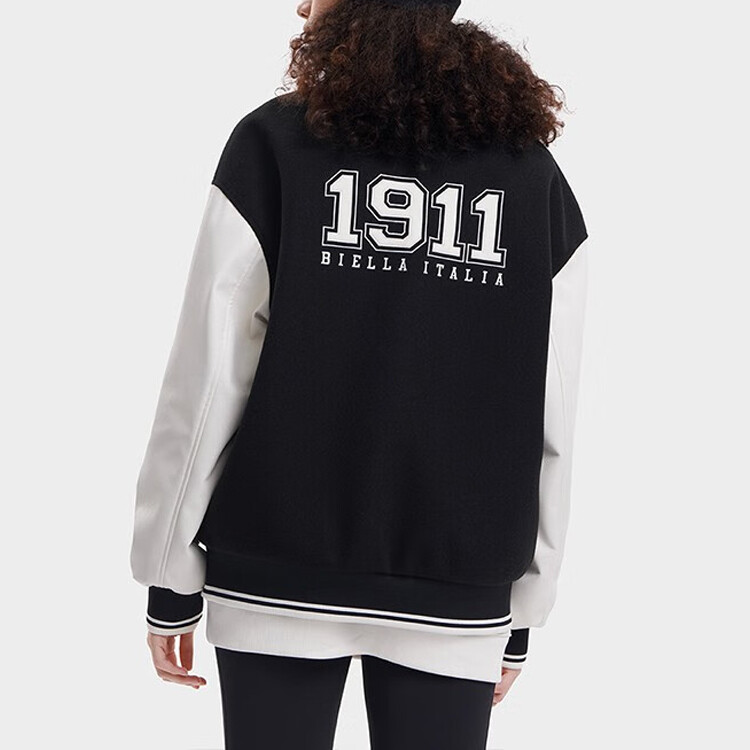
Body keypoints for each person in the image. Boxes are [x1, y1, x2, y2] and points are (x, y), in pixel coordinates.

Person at [129, 0, 589, 747]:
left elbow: (209, 374)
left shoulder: (273, 143)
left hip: (275, 572)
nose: (301, 4)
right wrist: (526, 605)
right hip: (457, 584)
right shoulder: (532, 179)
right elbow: (552, 404)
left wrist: (169, 573)